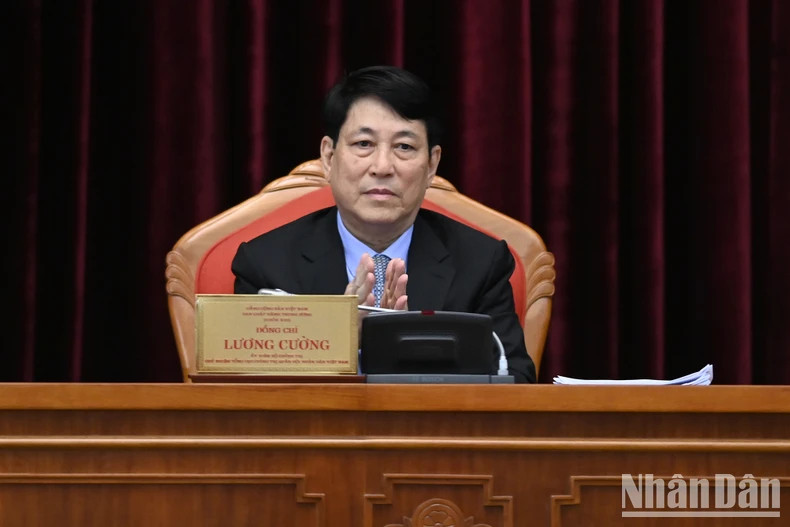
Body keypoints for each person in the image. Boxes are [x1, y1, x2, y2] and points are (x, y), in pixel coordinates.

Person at [231, 65, 536, 383]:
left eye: (404, 147)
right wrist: (343, 339)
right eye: (364, 144)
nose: (382, 167)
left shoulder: (480, 262)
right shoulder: (266, 264)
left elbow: (516, 380)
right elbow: (247, 392)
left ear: (432, 164)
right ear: (329, 156)